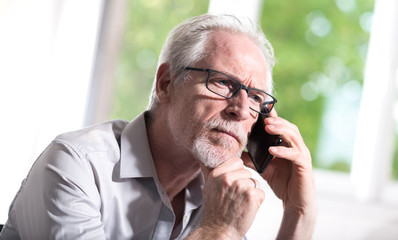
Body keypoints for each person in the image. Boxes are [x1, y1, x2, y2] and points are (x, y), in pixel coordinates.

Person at [0, 14, 316, 239]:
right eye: (222, 82)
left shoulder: (219, 194)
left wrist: (297, 212)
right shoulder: (75, 164)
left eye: (256, 98)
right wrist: (219, 232)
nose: (240, 110)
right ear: (166, 84)